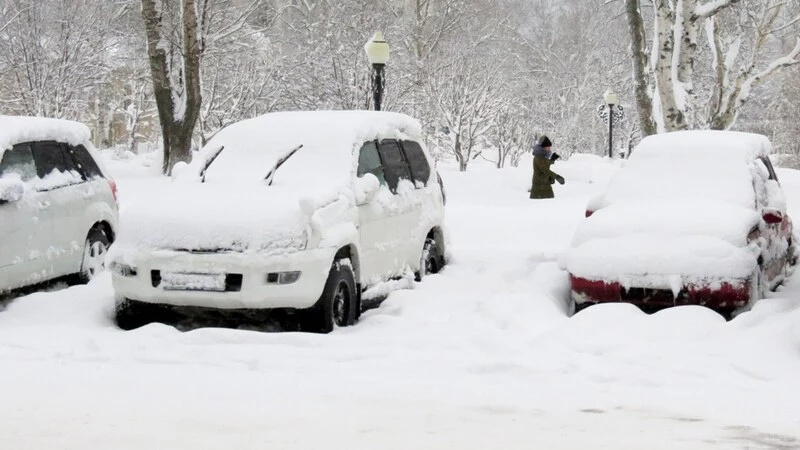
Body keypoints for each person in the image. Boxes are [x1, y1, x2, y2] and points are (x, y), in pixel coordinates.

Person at [530, 135, 564, 199]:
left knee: (548, 205)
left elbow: (545, 164)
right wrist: (557, 177)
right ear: (543, 147)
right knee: (540, 206)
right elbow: (545, 169)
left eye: (549, 147)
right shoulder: (538, 157)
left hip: (544, 183)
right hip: (539, 185)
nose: (549, 148)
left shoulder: (542, 156)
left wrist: (552, 160)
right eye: (548, 147)